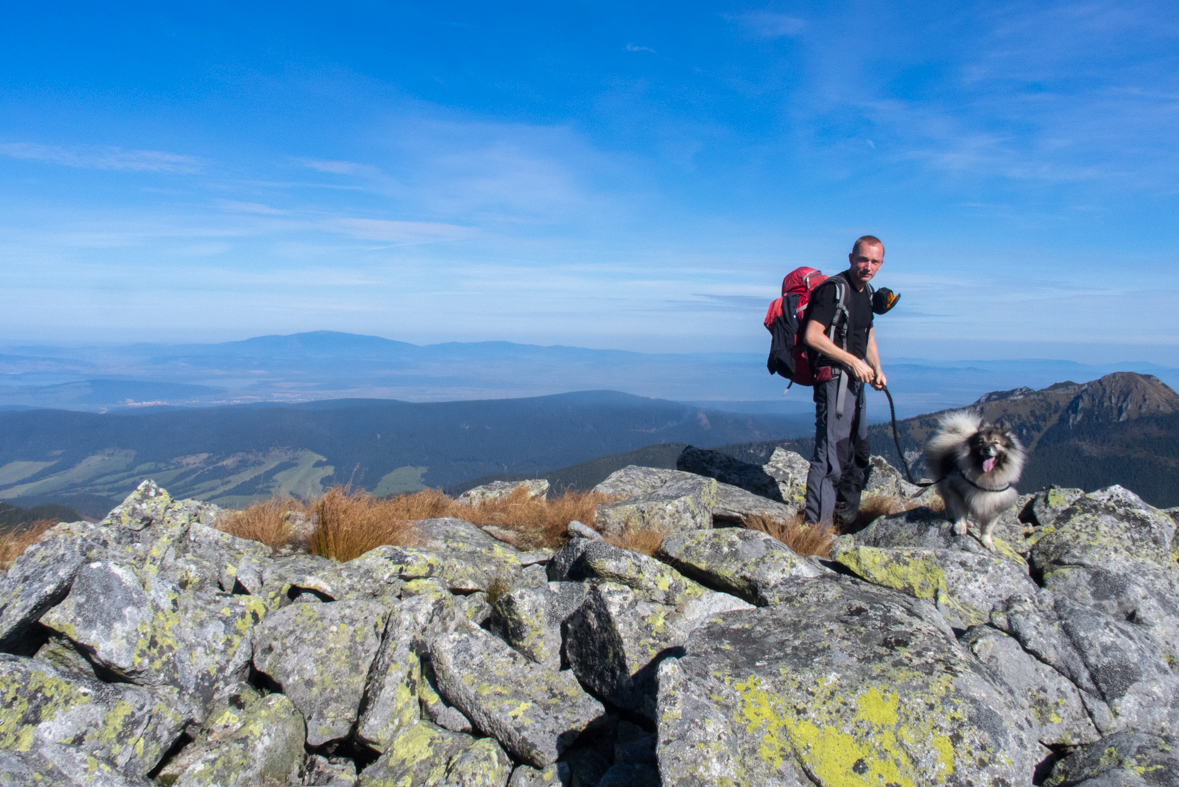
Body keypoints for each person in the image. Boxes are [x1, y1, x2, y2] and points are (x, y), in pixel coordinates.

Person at [802, 235, 887, 528]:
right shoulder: (834, 291)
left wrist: (876, 367)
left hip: (855, 381)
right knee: (830, 457)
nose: (868, 266)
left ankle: (843, 522)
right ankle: (816, 532)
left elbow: (868, 335)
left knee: (856, 451)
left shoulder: (867, 291)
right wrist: (852, 361)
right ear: (851, 257)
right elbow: (812, 336)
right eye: (863, 259)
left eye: (875, 261)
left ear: (881, 263)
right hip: (834, 381)